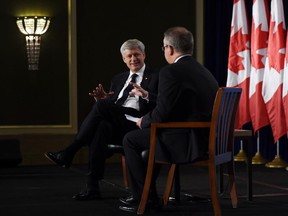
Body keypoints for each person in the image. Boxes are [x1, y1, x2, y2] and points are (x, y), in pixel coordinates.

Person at [119, 27, 219, 213]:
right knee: (148, 148)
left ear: (170, 49)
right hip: (206, 138)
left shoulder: (170, 71)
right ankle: (150, 196)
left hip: (188, 141)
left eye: (164, 48)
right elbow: (178, 105)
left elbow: (162, 114)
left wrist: (144, 121)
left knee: (130, 139)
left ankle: (144, 199)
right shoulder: (203, 70)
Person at [44, 39, 159, 201]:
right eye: (129, 56)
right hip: (119, 122)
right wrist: (104, 100)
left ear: (144, 55)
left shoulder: (156, 76)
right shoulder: (118, 79)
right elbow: (113, 106)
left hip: (137, 123)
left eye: (136, 55)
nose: (133, 59)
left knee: (102, 110)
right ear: (123, 59)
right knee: (101, 126)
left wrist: (146, 95)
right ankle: (92, 187)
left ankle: (71, 151)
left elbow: (162, 102)